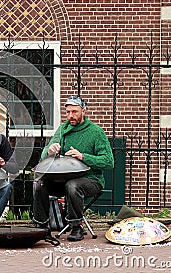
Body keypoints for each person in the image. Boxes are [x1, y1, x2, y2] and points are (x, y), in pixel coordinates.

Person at [33, 95, 114, 241]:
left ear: (84, 111)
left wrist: (83, 157)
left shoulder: (96, 132)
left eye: (74, 112)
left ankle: (76, 226)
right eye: (68, 112)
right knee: (40, 183)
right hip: (63, 180)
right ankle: (42, 227)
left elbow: (109, 162)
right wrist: (49, 151)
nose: (71, 116)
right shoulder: (63, 129)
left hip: (91, 180)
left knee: (73, 185)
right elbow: (45, 153)